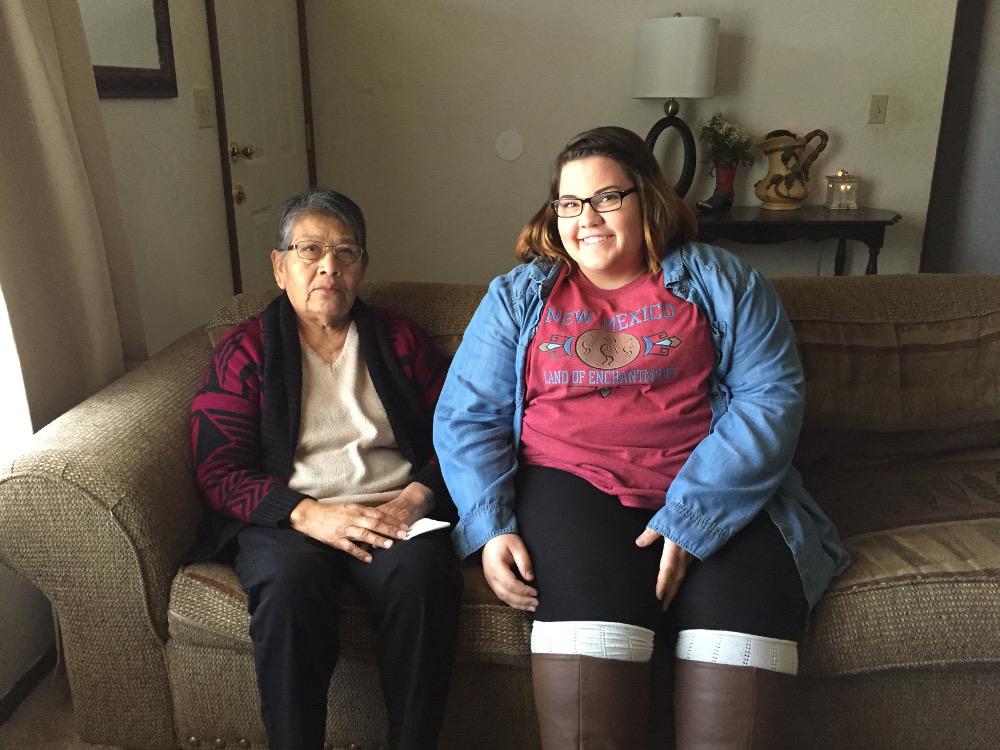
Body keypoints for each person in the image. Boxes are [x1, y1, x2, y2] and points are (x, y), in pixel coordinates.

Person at [433, 126, 850, 750]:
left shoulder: (724, 281)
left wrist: (694, 518)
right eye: (570, 204)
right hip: (568, 483)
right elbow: (468, 415)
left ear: (647, 198)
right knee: (594, 637)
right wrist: (488, 526)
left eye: (607, 198)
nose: (586, 218)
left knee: (744, 620)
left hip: (718, 490)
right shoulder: (518, 295)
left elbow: (771, 401)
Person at [189, 188, 462, 750]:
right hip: (291, 518)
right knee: (287, 587)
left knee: (423, 580)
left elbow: (460, 436)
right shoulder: (244, 351)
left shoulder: (399, 340)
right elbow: (218, 468)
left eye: (346, 252)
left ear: (363, 266)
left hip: (394, 510)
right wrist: (307, 514)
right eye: (310, 250)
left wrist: (414, 499)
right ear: (280, 265)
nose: (329, 267)